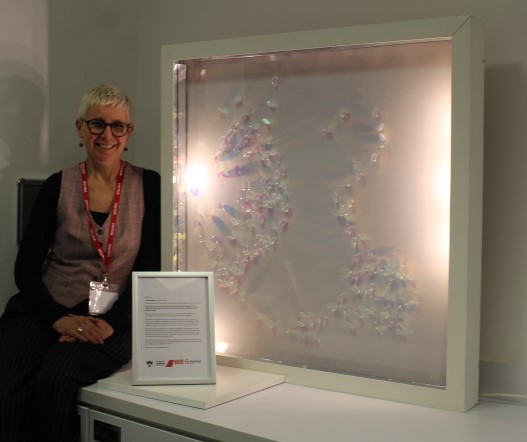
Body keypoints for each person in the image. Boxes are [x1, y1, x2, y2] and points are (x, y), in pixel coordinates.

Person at [0, 84, 161, 442]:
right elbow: (25, 269)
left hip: (115, 317)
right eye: (97, 124)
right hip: (46, 307)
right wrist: (57, 318)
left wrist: (110, 325)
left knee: (54, 381)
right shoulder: (58, 185)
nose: (107, 135)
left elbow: (149, 270)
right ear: (80, 128)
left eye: (118, 126)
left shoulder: (150, 185)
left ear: (129, 132)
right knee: (7, 384)